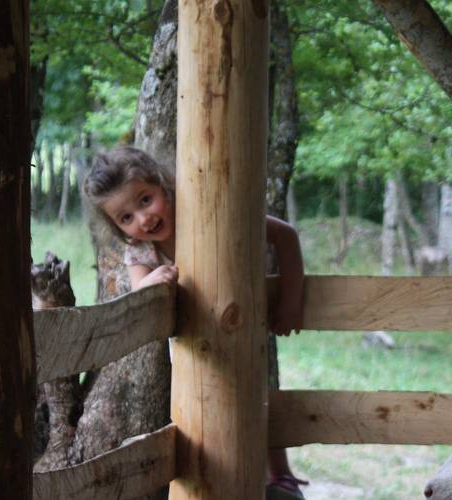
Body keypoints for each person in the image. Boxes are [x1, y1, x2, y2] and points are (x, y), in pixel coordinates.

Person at [84, 146, 308, 499]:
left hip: (239, 330)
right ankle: (210, 482)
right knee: (202, 419)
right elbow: (138, 290)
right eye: (126, 218)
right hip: (191, 353)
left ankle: (280, 477)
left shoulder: (204, 214)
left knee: (257, 399)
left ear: (163, 184)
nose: (142, 220)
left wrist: (292, 301)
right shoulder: (141, 252)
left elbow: (286, 236)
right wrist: (152, 282)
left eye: (145, 200)